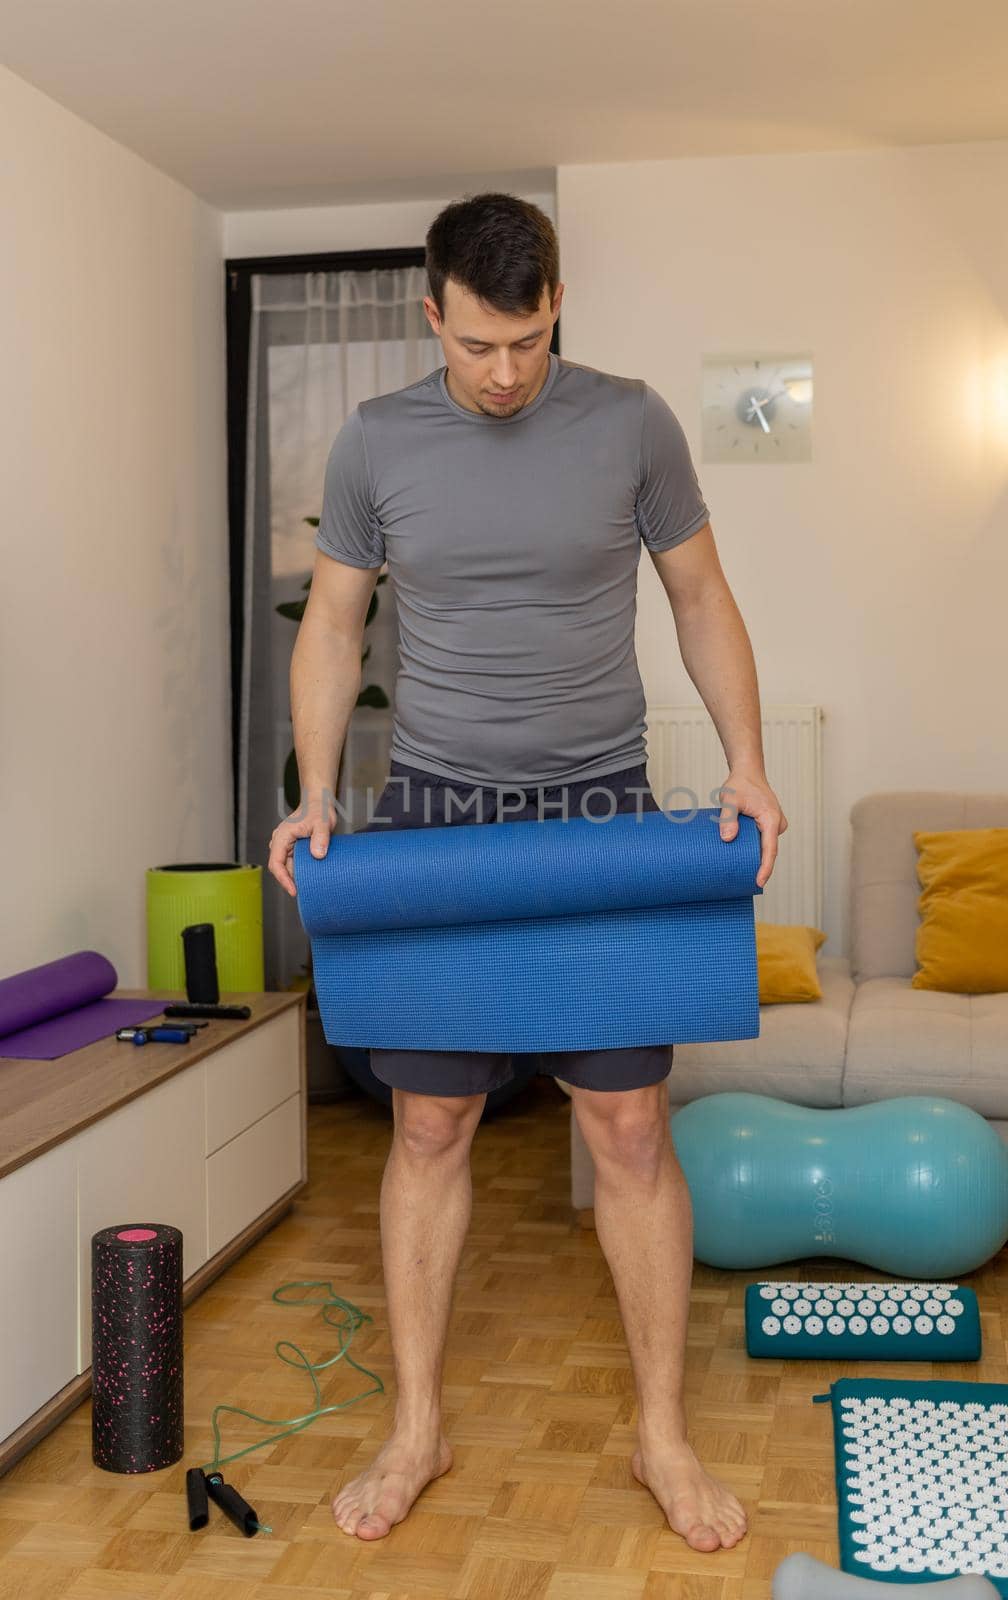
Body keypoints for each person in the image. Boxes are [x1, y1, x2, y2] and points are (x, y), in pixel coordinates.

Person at [268, 192, 787, 1551]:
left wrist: (745, 760)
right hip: (441, 818)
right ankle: (420, 1427)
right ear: (431, 313)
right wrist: (320, 793)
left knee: (626, 1127)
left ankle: (661, 1438)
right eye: (480, 345)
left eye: (532, 340)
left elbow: (698, 596)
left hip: (599, 811)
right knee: (429, 1127)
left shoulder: (631, 424)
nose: (506, 374)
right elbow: (332, 622)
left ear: (560, 308)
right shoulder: (379, 440)